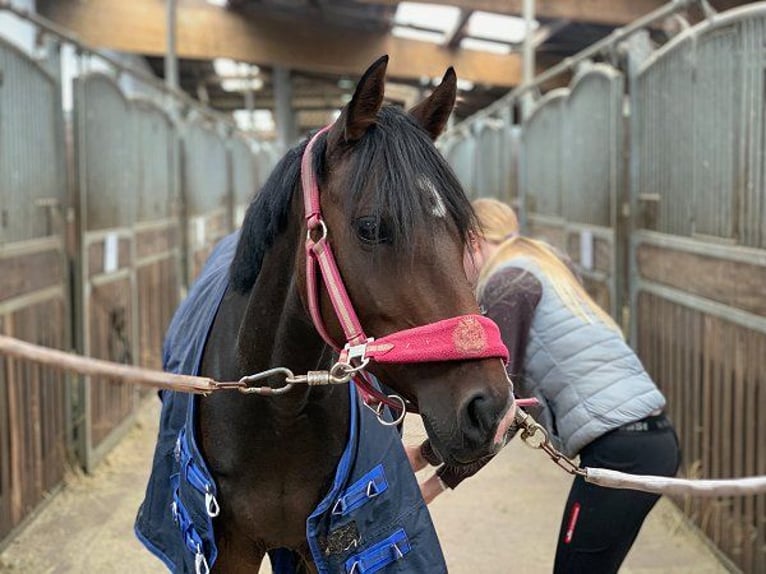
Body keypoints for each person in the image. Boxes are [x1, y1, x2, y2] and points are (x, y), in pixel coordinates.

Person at [407, 198, 681, 574]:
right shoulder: (547, 267)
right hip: (652, 441)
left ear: (472, 241)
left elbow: (500, 411)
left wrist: (431, 470)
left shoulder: (507, 284)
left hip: (621, 448)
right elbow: (524, 406)